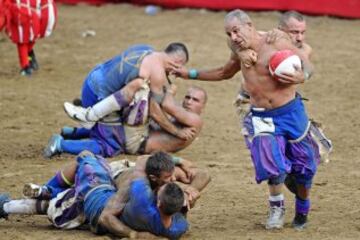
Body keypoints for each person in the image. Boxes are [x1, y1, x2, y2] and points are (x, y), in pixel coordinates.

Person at [175, 9, 320, 230]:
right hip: (262, 116)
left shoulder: (276, 40)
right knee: (271, 163)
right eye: (229, 33)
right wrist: (190, 74)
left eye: (236, 31)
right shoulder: (237, 47)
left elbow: (306, 63)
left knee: (305, 168)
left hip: (292, 112)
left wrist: (303, 76)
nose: (233, 37)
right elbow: (224, 72)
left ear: (249, 25)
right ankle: (276, 209)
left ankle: (302, 210)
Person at [0, 151, 210, 239]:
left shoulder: (140, 195)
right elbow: (205, 175)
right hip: (106, 197)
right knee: (63, 201)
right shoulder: (177, 227)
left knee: (86, 158)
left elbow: (144, 159)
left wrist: (133, 235)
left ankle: (46, 191)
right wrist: (193, 190)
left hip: (97, 198)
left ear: (158, 199)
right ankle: (24, 200)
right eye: (170, 179)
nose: (173, 180)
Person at [43, 85, 207, 158]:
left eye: (195, 100)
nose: (189, 101)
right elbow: (161, 112)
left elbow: (165, 105)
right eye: (188, 97)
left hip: (137, 143)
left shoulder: (195, 120)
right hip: (138, 136)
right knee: (117, 124)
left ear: (203, 107)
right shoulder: (182, 114)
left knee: (109, 146)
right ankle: (73, 133)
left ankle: (63, 143)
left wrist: (170, 91)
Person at [0, 0, 57, 76]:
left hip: (28, 11)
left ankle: (27, 61)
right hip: (28, 11)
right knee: (27, 38)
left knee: (27, 39)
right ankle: (27, 63)